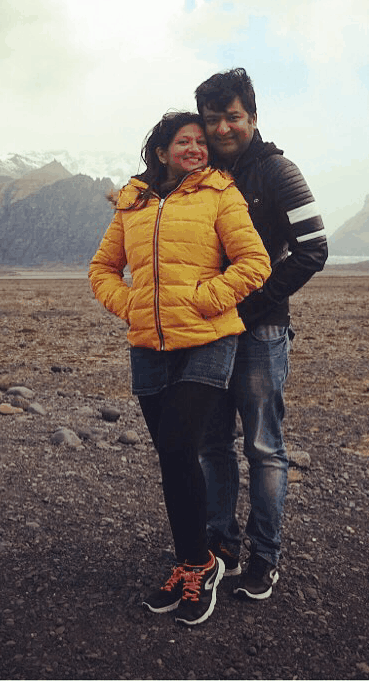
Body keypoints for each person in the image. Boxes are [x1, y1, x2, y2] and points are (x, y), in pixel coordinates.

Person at [88, 110, 271, 627]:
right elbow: (102, 269)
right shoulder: (134, 202)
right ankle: (193, 559)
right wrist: (132, 305)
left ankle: (200, 563)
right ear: (162, 151)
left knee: (177, 443)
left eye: (200, 142)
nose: (195, 148)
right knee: (172, 458)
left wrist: (204, 300)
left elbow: (254, 262)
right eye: (183, 142)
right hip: (147, 343)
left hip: (208, 339)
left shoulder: (221, 193)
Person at [195, 67, 328, 601]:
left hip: (260, 334)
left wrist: (254, 307)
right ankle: (221, 549)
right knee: (212, 446)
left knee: (264, 447)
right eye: (213, 119)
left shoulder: (277, 172)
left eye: (233, 117)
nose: (223, 128)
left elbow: (314, 248)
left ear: (252, 116)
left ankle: (265, 557)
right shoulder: (199, 175)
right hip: (207, 334)